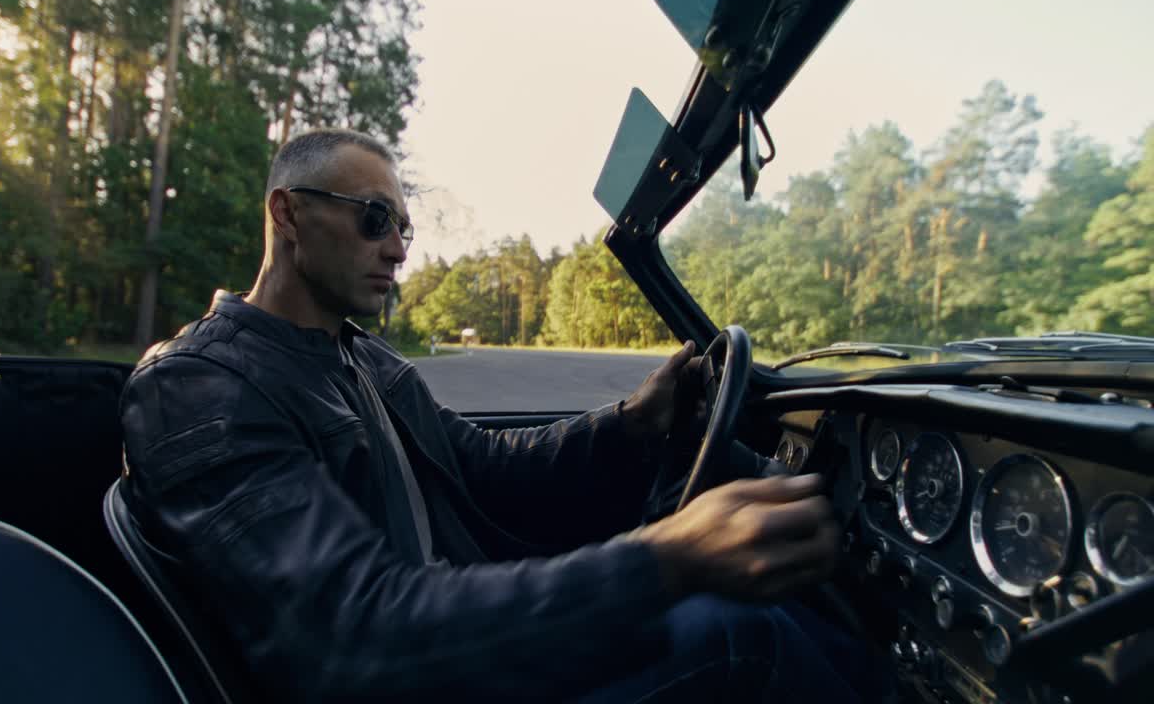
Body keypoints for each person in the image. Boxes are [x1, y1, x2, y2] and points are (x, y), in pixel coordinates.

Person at [118, 128, 890, 702]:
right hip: (417, 677)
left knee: (754, 608)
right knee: (739, 630)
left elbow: (486, 466)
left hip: (454, 654)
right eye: (375, 220)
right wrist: (667, 558)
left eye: (403, 229)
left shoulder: (359, 357)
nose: (398, 251)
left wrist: (633, 421)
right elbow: (354, 633)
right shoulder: (198, 388)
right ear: (288, 215)